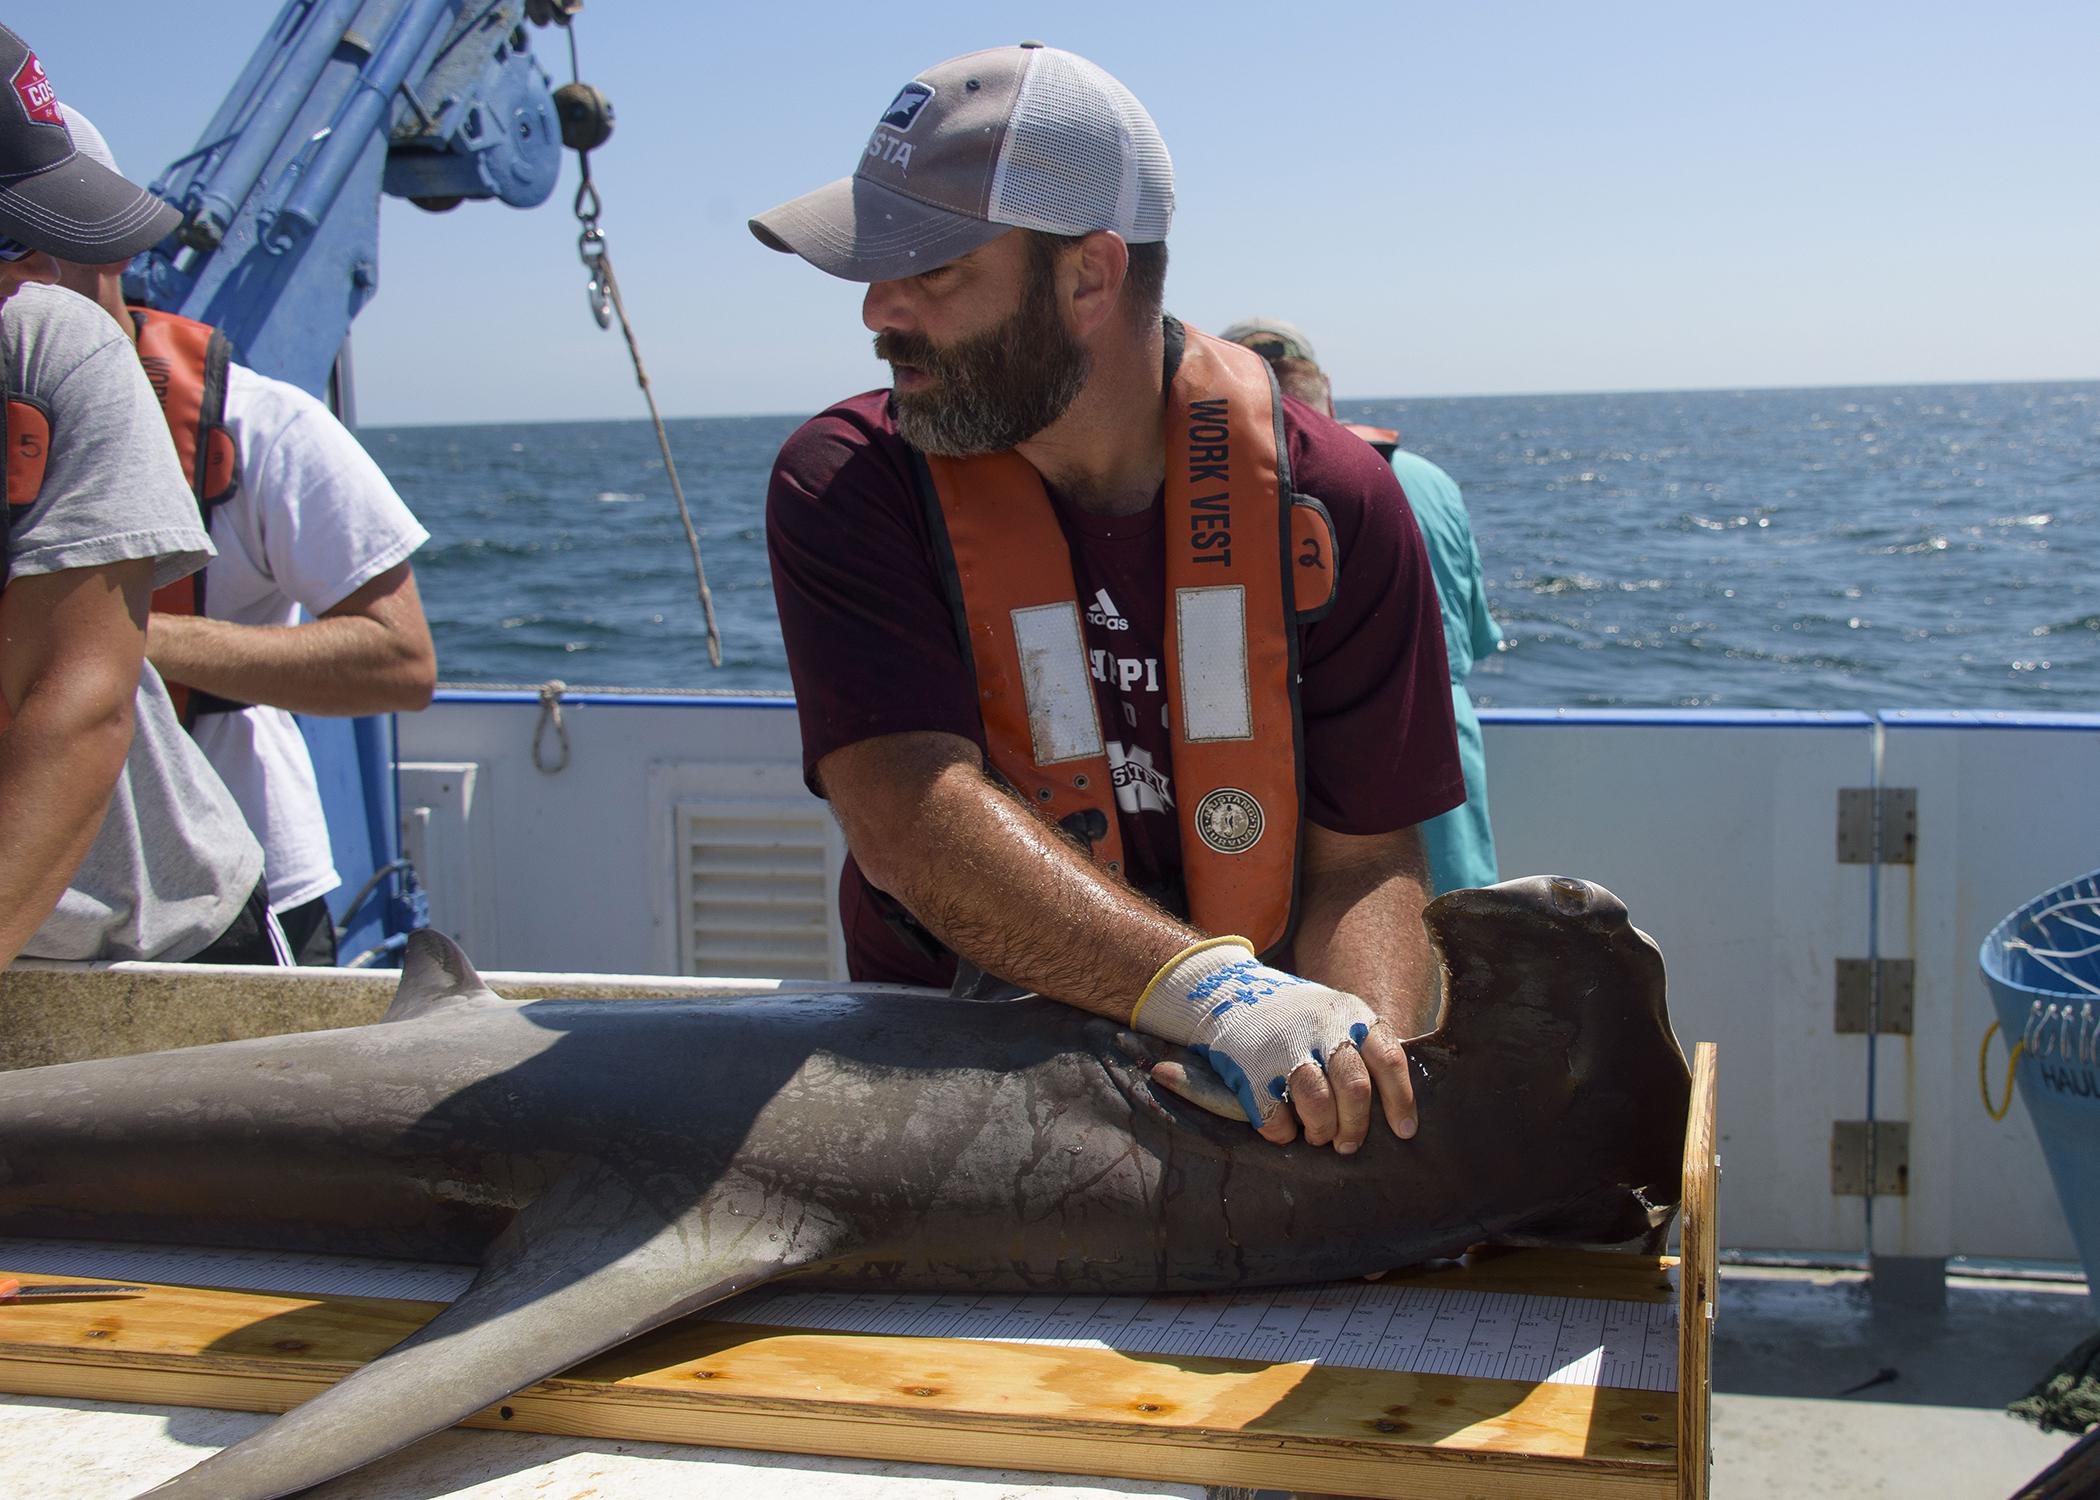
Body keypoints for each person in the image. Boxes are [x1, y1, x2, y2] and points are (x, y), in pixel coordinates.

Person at [752, 44, 1464, 1155]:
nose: (876, 309)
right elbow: (907, 816)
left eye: (932, 270)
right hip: (952, 1079)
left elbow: (1368, 860)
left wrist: (1345, 1066)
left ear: (1089, 275)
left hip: (1249, 1101)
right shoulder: (848, 482)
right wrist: (1223, 997)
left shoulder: (1338, 503)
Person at [45, 108, 437, 966]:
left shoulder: (260, 426)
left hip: (238, 896)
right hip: (39, 910)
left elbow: (400, 662)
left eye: (21, 251)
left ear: (104, 250)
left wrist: (110, 641)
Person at [0, 23, 273, 969]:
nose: (41, 274)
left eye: (58, 240)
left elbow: (76, 703)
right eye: (10, 236)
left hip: (150, 935)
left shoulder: (49, 351)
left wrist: (151, 641)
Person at [1219, 319, 1503, 894]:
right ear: (1325, 390)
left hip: (1309, 763)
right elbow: (1473, 639)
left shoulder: (1223, 495)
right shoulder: (1430, 480)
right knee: (1468, 946)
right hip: (1444, 745)